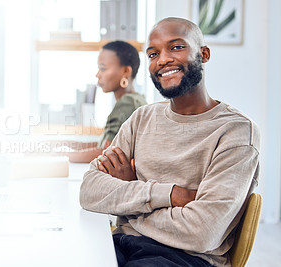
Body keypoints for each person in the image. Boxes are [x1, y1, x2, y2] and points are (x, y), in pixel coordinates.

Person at [79, 17, 260, 267]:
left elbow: (201, 232)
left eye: (176, 47)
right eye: (153, 54)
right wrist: (172, 195)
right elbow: (89, 190)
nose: (163, 60)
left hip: (185, 257)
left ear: (204, 54)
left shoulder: (236, 131)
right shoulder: (141, 118)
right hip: (120, 244)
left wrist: (129, 201)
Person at [50, 40, 147, 163]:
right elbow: (104, 144)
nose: (97, 75)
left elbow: (108, 151)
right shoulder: (136, 99)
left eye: (103, 68)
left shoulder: (127, 103)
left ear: (126, 71)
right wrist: (69, 144)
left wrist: (62, 155)